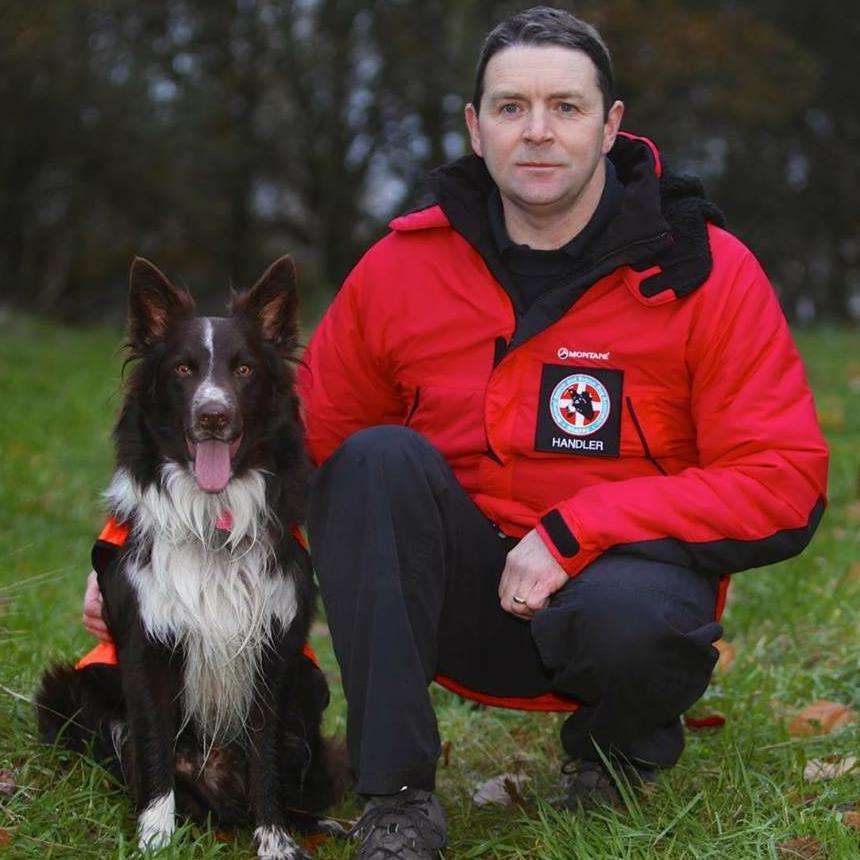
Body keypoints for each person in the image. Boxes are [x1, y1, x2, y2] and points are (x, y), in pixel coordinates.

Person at [85, 7, 829, 858]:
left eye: (567, 107)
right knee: (374, 459)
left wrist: (579, 530)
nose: (538, 132)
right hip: (453, 601)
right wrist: (126, 550)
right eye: (511, 108)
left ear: (613, 124)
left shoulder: (706, 273)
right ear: (476, 129)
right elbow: (288, 433)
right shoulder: (406, 264)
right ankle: (396, 798)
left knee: (638, 619)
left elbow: (786, 480)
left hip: (618, 605)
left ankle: (617, 753)